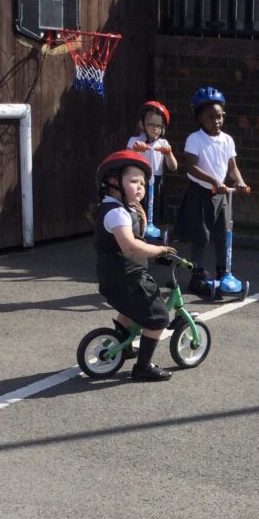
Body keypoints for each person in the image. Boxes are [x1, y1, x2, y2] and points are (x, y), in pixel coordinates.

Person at [92, 150, 179, 382]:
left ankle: (124, 346)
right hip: (129, 280)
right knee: (158, 319)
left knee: (130, 311)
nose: (140, 187)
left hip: (114, 279)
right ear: (113, 182)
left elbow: (132, 236)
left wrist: (140, 218)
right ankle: (143, 367)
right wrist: (160, 250)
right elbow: (130, 247)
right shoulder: (117, 213)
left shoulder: (113, 209)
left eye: (143, 183)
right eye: (133, 181)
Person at [173, 86, 248, 295]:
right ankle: (196, 275)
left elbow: (232, 167)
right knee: (202, 236)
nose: (216, 121)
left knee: (224, 234)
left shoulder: (227, 140)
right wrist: (214, 180)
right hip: (199, 192)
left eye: (219, 116)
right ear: (200, 118)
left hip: (220, 194)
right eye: (211, 117)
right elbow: (191, 167)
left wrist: (240, 181)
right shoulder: (194, 139)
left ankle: (223, 272)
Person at [127, 99, 178, 237]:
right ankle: (137, 238)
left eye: (158, 126)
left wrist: (168, 154)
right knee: (138, 212)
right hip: (140, 182)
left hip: (157, 183)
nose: (155, 128)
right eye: (151, 124)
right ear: (142, 124)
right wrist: (134, 151)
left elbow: (173, 167)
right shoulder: (134, 141)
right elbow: (126, 160)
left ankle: (162, 241)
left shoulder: (163, 143)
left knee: (160, 215)